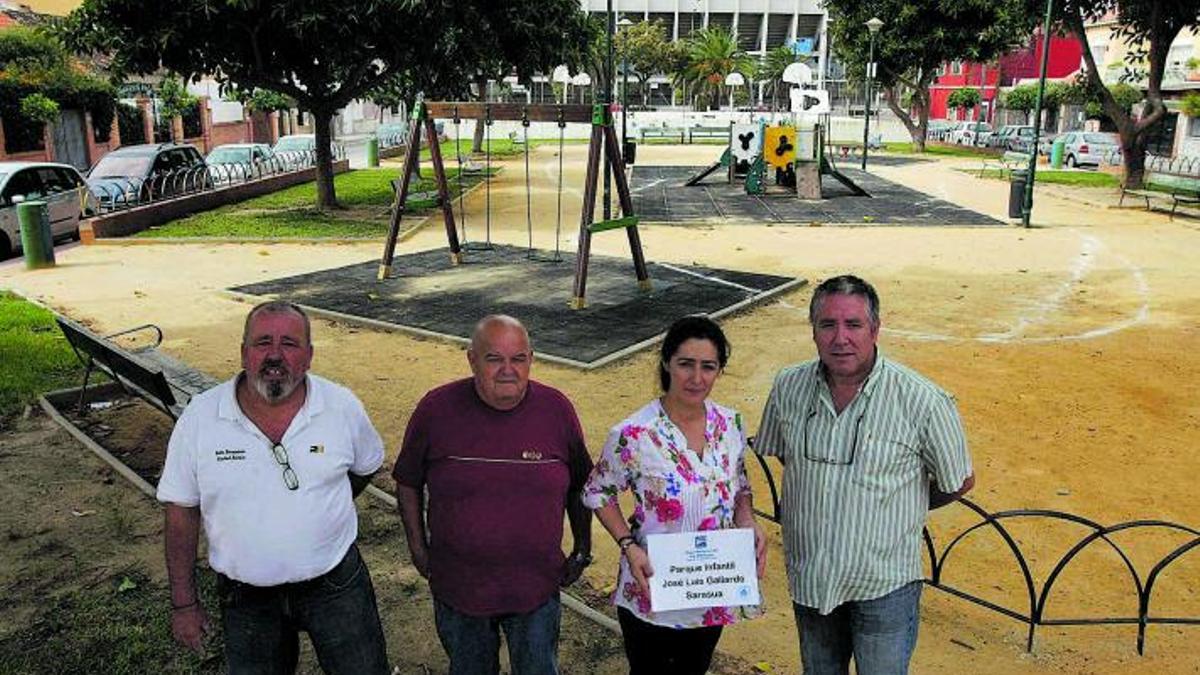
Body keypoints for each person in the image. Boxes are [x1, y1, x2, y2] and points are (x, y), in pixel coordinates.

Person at [756, 275, 975, 674]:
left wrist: (898, 502)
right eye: (828, 324)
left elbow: (958, 481)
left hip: (884, 587)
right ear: (813, 331)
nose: (841, 338)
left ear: (875, 329)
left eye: (853, 325)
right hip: (812, 579)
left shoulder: (923, 401)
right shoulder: (788, 387)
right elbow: (788, 457)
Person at [156, 300, 390, 674]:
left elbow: (364, 468)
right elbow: (181, 510)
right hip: (245, 597)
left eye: (290, 344)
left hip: (336, 587)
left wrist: (315, 513)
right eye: (263, 342)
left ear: (309, 356)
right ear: (244, 352)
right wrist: (184, 604)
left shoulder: (341, 407)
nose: (275, 355)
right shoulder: (201, 417)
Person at [393, 314, 593, 675]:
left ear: (531, 360)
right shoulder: (436, 409)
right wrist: (418, 550)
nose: (508, 370)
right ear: (472, 359)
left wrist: (583, 548)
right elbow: (407, 480)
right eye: (494, 358)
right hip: (459, 589)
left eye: (518, 359)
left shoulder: (556, 410)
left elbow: (581, 484)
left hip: (535, 588)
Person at [582, 315, 766, 675]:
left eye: (708, 367)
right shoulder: (634, 433)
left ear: (719, 370)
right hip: (651, 585)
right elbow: (597, 492)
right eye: (686, 364)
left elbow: (739, 483)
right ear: (667, 362)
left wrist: (747, 517)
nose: (696, 378)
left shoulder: (730, 424)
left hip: (711, 585)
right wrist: (627, 545)